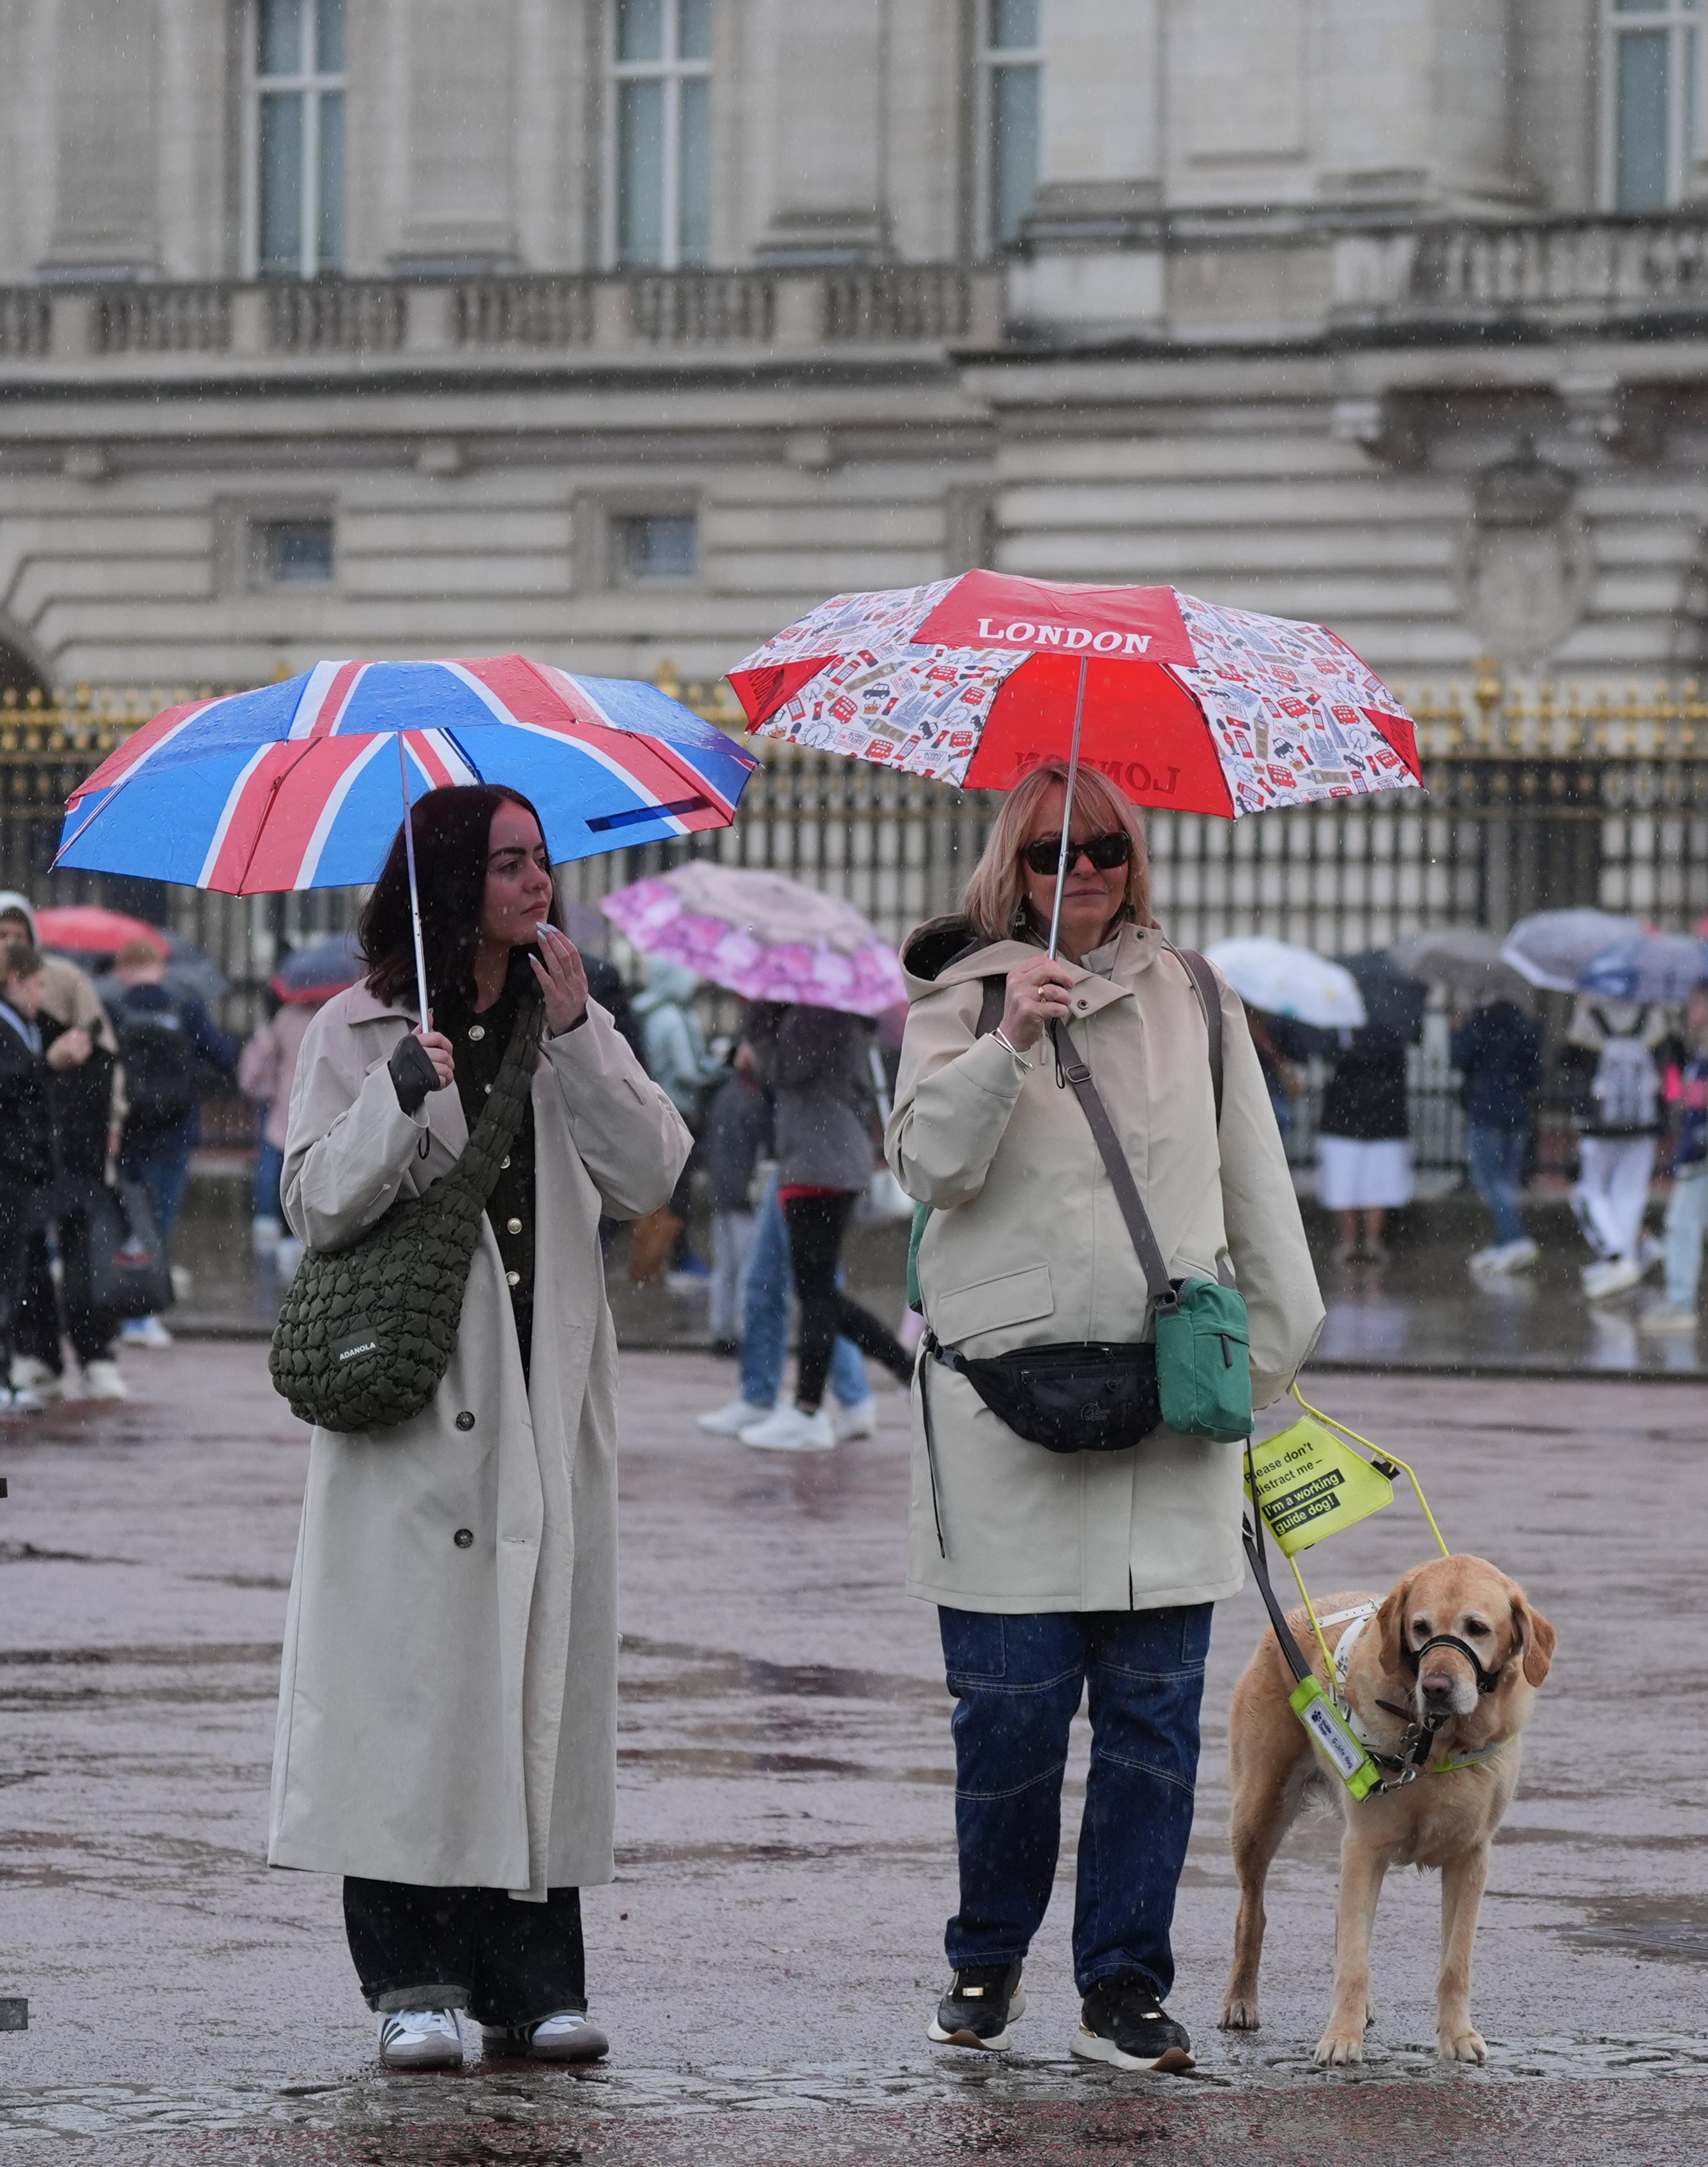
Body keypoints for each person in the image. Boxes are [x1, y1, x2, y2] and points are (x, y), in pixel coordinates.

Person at [888, 762, 1322, 2076]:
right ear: (1004, 868)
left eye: (1106, 850)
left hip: (1162, 1421)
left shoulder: (1196, 997)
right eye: (1047, 853)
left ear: (1136, 861)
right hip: (998, 1415)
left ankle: (1123, 1984)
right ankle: (985, 1953)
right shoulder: (952, 1000)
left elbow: (1258, 1192)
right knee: (1008, 1722)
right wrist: (1007, 1036)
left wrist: (1256, 1372)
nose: (1079, 872)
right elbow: (924, 1166)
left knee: (1147, 1730)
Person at [272, 783, 690, 2073]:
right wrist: (399, 1090)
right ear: (448, 881)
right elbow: (314, 1204)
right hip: (406, 1409)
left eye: (541, 857)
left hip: (536, 1399)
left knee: (530, 1689)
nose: (536, 882)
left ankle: (531, 1980)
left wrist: (578, 1035)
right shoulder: (354, 1027)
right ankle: (407, 1976)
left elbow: (653, 1172)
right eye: (509, 862)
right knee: (405, 1703)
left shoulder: (569, 1015)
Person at [735, 999, 912, 1452]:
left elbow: (785, 1071)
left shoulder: (818, 1012)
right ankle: (905, 1374)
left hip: (822, 1164)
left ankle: (809, 1411)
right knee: (819, 1294)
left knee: (816, 1294)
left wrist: (758, 1023)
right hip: (817, 1160)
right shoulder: (822, 1011)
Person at [0, 892, 127, 1401]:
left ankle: (96, 1356)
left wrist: (113, 1119)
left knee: (83, 1254)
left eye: (17, 936)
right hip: (24, 1152)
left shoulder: (66, 982)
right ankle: (38, 1356)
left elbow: (104, 1054)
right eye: (1, 937)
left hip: (74, 1146)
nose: (10, 945)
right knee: (25, 1261)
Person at [107, 936, 237, 1348]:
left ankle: (118, 1309)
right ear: (160, 969)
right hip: (174, 1130)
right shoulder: (185, 1006)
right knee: (158, 1222)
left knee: (124, 1222)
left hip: (126, 1130)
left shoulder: (113, 1009)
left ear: (123, 971)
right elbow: (223, 1056)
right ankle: (143, 1315)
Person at [0, 946, 97, 1414]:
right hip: (9, 1166)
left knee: (12, 1275)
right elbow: (14, 1086)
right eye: (37, 983)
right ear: (17, 979)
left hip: (20, 1167)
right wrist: (50, 1064)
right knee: (6, 1276)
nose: (42, 994)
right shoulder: (7, 1026)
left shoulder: (24, 1027)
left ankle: (7, 1373)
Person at [1564, 995, 1667, 1300]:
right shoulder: (1653, 1015)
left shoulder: (1590, 1015)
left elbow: (1570, 1061)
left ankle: (1619, 1258)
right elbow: (1668, 1062)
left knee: (1588, 1192)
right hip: (1644, 1125)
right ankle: (1628, 1260)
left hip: (1600, 1125)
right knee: (1630, 1193)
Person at [632, 959, 724, 1287]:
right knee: (679, 1191)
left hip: (657, 1109)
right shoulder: (672, 1018)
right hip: (678, 1112)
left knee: (666, 1189)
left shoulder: (652, 1013)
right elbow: (689, 1071)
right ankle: (678, 1261)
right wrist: (718, 1070)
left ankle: (661, 1261)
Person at [1452, 990, 1543, 1275]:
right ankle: (1502, 1242)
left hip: (1486, 1110)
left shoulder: (1478, 1023)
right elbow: (1535, 1073)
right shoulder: (1523, 1024)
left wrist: (1458, 1030)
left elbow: (1459, 1059)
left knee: (1489, 1179)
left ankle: (1515, 1239)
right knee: (1506, 1179)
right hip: (1517, 1111)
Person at [1315, 1023, 1413, 1263]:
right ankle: (1354, 1241)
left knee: (1375, 1184)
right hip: (1357, 1120)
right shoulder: (1341, 1030)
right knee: (1347, 1185)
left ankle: (1368, 1241)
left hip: (1371, 1119)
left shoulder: (1388, 1033)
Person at [239, 992, 319, 1278]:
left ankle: (269, 1225)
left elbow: (264, 1065)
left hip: (285, 1104)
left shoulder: (286, 1018)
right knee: (308, 1171)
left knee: (274, 1168)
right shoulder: (334, 1015)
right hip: (320, 1105)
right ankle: (297, 1232)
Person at [1642, 984, 1708, 1333]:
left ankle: (1681, 1301)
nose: (1690, 1009)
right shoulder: (1697, 1051)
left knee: (1682, 1227)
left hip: (1701, 1156)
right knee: (1683, 1226)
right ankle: (1679, 1298)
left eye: (1698, 1003)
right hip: (1695, 1154)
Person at [698, 1055, 770, 1355]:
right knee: (746, 1271)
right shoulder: (754, 1100)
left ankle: (722, 1331)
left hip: (722, 1194)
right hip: (744, 1197)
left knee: (724, 1269)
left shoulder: (724, 1097)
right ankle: (741, 1332)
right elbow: (762, 1146)